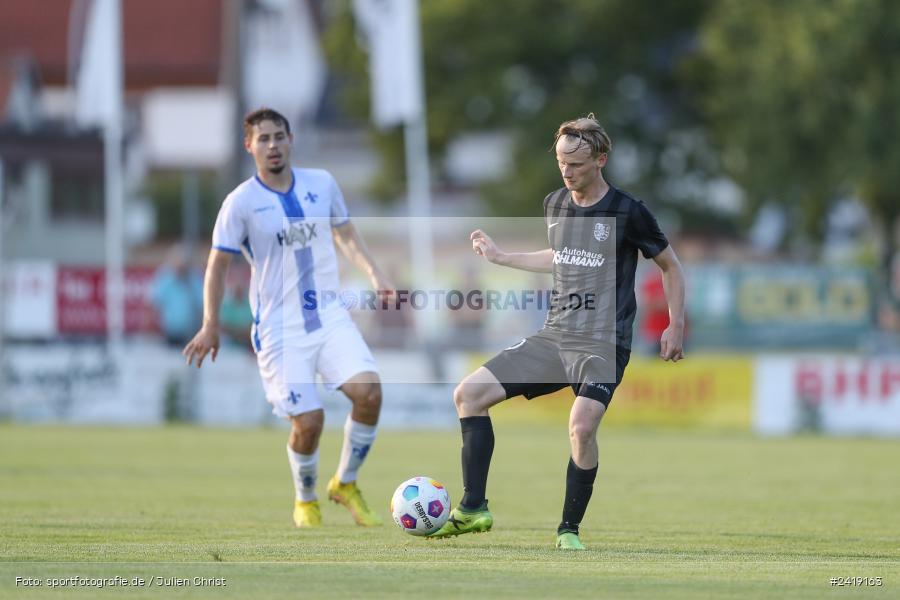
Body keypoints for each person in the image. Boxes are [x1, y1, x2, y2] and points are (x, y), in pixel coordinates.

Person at [430, 114, 686, 550]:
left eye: (577, 163)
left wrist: (674, 324)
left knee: (581, 426)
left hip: (604, 341)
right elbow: (561, 254)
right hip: (556, 335)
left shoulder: (629, 211)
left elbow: (670, 266)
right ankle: (473, 508)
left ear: (601, 159)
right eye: (562, 162)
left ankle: (568, 530)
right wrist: (502, 257)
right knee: (468, 394)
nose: (567, 171)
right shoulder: (555, 203)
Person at [183, 108, 394, 528]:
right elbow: (217, 267)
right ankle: (306, 499)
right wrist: (210, 323)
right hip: (280, 329)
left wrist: (375, 274)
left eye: (279, 136)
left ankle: (345, 483)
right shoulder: (240, 203)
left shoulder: (323, 183)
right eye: (263, 138)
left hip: (329, 315)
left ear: (291, 139)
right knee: (309, 421)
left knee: (369, 393)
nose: (273, 145)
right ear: (249, 146)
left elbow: (345, 233)